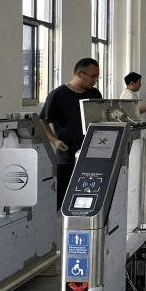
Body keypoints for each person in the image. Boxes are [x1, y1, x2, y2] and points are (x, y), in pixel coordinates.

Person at [39, 58, 103, 211]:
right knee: (64, 196)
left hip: (91, 154)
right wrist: (54, 140)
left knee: (89, 194)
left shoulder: (95, 94)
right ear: (80, 73)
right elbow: (43, 121)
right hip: (67, 155)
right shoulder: (58, 95)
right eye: (93, 76)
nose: (95, 80)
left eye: (97, 77)